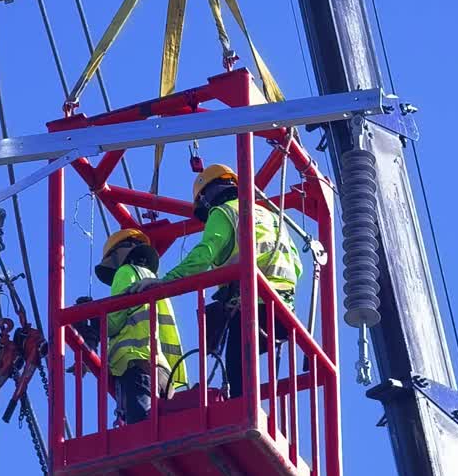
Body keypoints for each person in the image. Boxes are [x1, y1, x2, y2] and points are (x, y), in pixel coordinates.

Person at [131, 164, 302, 397]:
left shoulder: (224, 212)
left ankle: (241, 409)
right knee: (244, 363)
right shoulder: (272, 217)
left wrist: (166, 283)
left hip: (252, 303)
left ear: (207, 196)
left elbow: (204, 254)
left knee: (237, 371)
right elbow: (297, 267)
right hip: (283, 310)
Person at [89, 229, 187, 424]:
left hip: (136, 363)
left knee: (141, 430)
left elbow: (114, 321)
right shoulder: (153, 281)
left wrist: (93, 319)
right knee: (162, 431)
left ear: (118, 255)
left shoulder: (125, 272)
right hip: (165, 375)